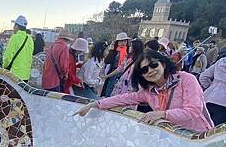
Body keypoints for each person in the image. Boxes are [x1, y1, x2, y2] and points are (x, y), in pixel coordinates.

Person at [75, 50, 213, 132]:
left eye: (154, 65)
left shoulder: (186, 79)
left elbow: (193, 110)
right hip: (172, 135)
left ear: (163, 64)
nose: (150, 71)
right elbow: (124, 98)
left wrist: (162, 114)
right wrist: (95, 104)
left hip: (196, 136)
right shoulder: (149, 92)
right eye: (144, 70)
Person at [2, 15, 34, 82]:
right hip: (26, 75)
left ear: (17, 26)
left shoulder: (15, 37)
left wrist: (4, 66)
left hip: (14, 74)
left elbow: (8, 56)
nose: (13, 28)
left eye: (14, 26)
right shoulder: (30, 39)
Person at [100, 32, 130, 97]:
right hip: (113, 73)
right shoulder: (114, 51)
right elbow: (107, 61)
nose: (123, 42)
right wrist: (111, 50)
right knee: (109, 90)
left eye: (125, 41)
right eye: (121, 41)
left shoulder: (128, 51)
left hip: (123, 74)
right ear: (117, 42)